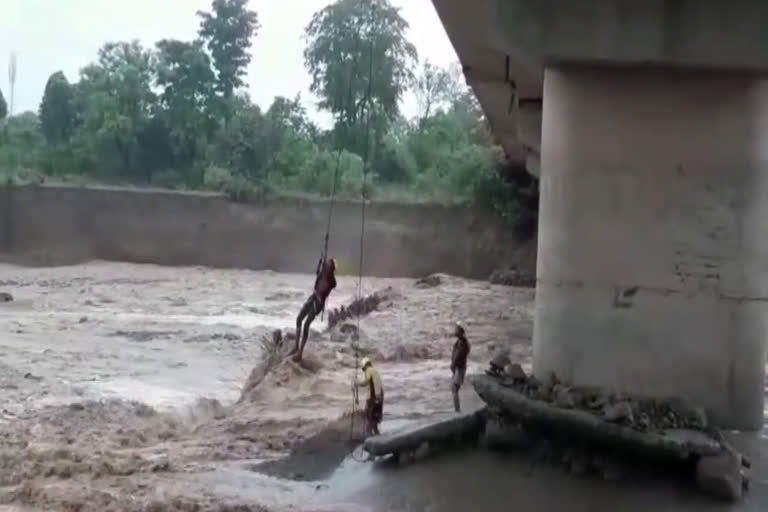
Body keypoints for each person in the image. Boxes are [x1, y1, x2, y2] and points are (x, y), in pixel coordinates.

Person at [290, 257, 337, 362]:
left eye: (328, 265)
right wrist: (320, 264)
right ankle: (296, 346)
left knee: (306, 325)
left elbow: (332, 284)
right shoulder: (322, 274)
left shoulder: (331, 281)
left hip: (318, 303)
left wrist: (327, 272)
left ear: (331, 268)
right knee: (299, 319)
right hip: (313, 297)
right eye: (326, 265)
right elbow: (317, 275)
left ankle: (300, 353)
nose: (326, 266)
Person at [357, 357, 384, 436]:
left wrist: (358, 383)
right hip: (379, 395)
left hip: (373, 396)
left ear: (364, 365)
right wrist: (378, 396)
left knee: (369, 414)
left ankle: (369, 433)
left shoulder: (368, 370)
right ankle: (376, 432)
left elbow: (366, 381)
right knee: (375, 414)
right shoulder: (374, 370)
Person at [451, 321, 470, 413]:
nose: (454, 330)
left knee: (454, 389)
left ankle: (457, 411)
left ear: (460, 331)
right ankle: (457, 410)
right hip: (459, 368)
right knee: (454, 389)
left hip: (459, 368)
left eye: (456, 329)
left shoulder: (462, 342)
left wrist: (453, 365)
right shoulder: (462, 341)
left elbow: (458, 356)